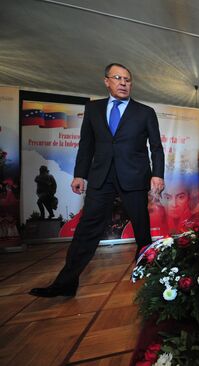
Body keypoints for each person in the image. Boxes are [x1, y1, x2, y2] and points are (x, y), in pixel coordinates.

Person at [30, 63, 165, 297]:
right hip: (101, 177)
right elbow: (87, 145)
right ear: (106, 81)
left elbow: (156, 147)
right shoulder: (93, 109)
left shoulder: (145, 112)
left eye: (127, 79)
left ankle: (152, 280)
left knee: (142, 231)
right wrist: (79, 174)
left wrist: (158, 174)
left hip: (134, 177)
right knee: (86, 230)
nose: (123, 83)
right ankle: (65, 284)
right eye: (118, 78)